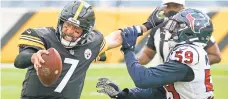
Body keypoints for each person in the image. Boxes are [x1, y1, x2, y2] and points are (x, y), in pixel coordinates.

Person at [13, 1, 145, 99]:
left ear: (86, 32)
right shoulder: (43, 36)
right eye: (67, 26)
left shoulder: (91, 43)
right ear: (61, 22)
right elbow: (19, 60)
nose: (69, 32)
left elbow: (116, 38)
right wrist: (33, 57)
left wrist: (149, 24)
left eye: (76, 30)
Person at [97, 8, 214, 99]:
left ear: (190, 31)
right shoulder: (191, 52)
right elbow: (160, 91)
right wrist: (124, 95)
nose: (172, 30)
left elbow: (143, 79)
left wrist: (129, 50)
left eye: (178, 26)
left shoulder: (189, 53)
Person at [138, 0, 221, 65]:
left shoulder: (196, 27)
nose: (171, 10)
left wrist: (191, 64)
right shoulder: (157, 29)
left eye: (175, 6)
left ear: (183, 8)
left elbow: (215, 55)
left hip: (192, 81)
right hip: (166, 80)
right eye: (168, 6)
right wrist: (132, 61)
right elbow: (148, 54)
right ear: (163, 8)